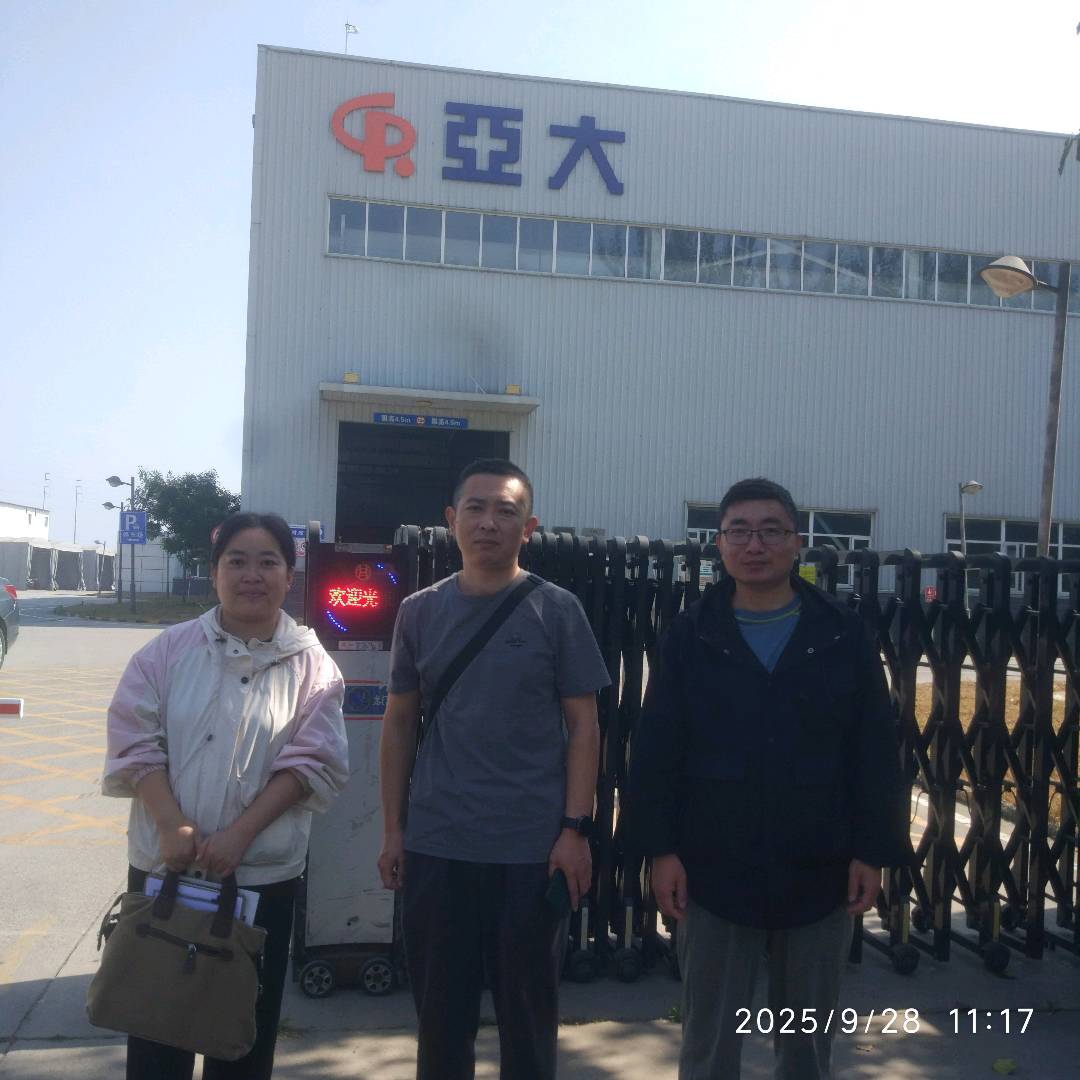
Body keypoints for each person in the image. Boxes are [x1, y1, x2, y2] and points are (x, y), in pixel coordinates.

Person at [628, 477, 907, 1080]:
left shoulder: (840, 632)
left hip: (820, 865)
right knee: (709, 1042)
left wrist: (871, 850)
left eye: (771, 530)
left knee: (806, 1046)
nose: (755, 545)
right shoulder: (692, 633)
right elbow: (658, 748)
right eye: (739, 532)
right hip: (711, 866)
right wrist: (661, 851)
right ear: (719, 545)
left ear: (797, 541)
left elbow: (873, 749)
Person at [378, 458, 611, 1080]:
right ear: (451, 520)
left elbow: (584, 727)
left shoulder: (557, 610)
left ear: (528, 527)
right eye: (475, 509)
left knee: (528, 1020)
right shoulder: (419, 612)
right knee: (440, 1020)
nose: (489, 522)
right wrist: (394, 831)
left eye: (506, 511)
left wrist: (575, 830)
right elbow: (399, 724)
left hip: (530, 849)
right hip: (439, 843)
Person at [103, 511, 349, 1080]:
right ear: (214, 573)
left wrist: (241, 835)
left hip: (261, 877)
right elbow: (135, 738)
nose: (251, 575)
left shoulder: (314, 667)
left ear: (290, 577)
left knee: (241, 1039)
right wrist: (170, 824)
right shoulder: (166, 652)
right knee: (155, 1031)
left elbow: (312, 762)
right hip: (166, 868)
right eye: (236, 561)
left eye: (268, 562)